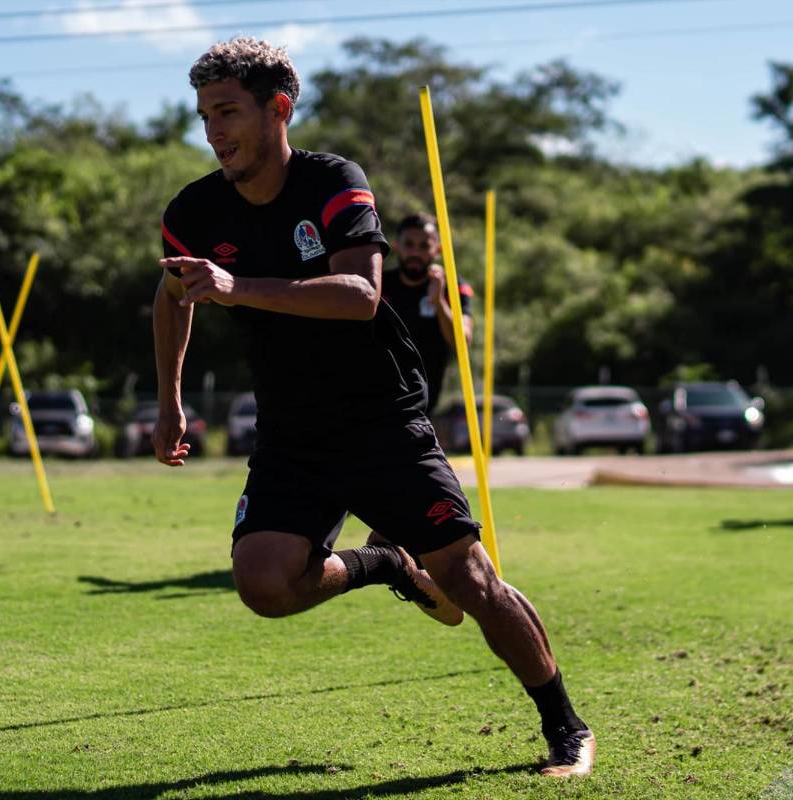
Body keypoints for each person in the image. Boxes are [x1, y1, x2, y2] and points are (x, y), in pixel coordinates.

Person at [151, 37, 595, 778]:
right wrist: (169, 397)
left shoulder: (333, 182)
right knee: (264, 583)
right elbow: (169, 296)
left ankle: (567, 728)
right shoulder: (194, 209)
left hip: (381, 420)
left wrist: (236, 286)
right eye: (204, 116)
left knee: (469, 581)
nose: (214, 131)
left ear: (278, 109)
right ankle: (383, 561)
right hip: (292, 433)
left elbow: (360, 298)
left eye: (227, 111)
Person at [381, 212, 474, 414]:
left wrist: (439, 301)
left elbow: (462, 342)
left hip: (425, 397)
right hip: (381, 391)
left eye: (424, 246)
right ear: (396, 246)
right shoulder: (379, 284)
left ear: (438, 250)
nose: (415, 252)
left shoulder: (454, 287)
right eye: (409, 244)